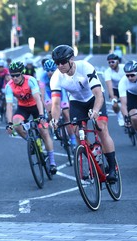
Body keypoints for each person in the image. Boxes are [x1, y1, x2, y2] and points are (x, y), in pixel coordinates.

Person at [50, 44, 118, 182]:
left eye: (63, 62)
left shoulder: (85, 67)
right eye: (57, 63)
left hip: (94, 98)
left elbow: (98, 94)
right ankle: (92, 154)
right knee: (76, 130)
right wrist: (55, 120)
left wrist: (96, 110)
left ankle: (112, 169)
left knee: (101, 127)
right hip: (77, 102)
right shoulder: (56, 77)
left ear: (71, 60)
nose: (60, 66)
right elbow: (56, 103)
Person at [4, 61, 57, 174]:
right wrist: (9, 123)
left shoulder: (30, 80)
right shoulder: (9, 86)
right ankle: (31, 141)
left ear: (22, 73)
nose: (14, 78)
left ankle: (52, 162)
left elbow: (38, 99)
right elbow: (9, 106)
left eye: (17, 75)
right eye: (12, 75)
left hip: (36, 107)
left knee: (44, 131)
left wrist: (42, 115)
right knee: (17, 125)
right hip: (23, 108)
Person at [39, 59, 75, 146]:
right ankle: (55, 129)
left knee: (67, 115)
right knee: (50, 111)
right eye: (47, 71)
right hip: (49, 93)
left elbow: (67, 89)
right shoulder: (42, 77)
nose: (50, 72)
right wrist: (45, 106)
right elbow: (43, 95)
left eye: (52, 70)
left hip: (60, 92)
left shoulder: (60, 74)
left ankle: (72, 138)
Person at [103, 53, 125, 127]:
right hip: (115, 89)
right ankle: (120, 117)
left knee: (126, 104)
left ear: (118, 61)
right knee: (115, 105)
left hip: (125, 88)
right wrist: (113, 99)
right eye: (109, 62)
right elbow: (109, 86)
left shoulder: (124, 68)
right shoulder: (107, 72)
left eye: (113, 62)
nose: (111, 64)